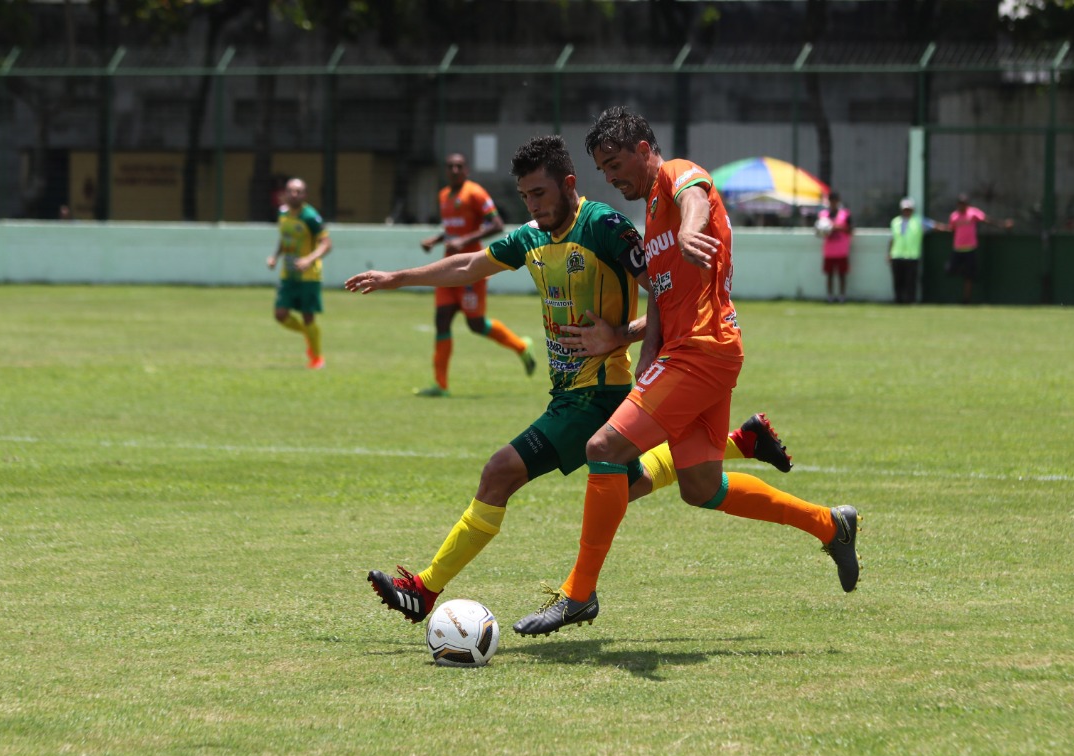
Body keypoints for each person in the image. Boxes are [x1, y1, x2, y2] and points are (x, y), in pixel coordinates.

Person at [346, 135, 793, 624]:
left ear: (569, 184)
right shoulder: (532, 237)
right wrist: (398, 278)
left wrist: (618, 337)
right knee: (635, 482)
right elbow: (472, 263)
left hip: (596, 395)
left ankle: (426, 589)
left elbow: (664, 297)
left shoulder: (605, 227)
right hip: (571, 394)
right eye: (525, 196)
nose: (534, 206)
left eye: (540, 194)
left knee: (501, 472)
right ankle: (739, 441)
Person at [511, 107, 861, 637]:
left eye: (614, 164)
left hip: (700, 351)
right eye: (602, 170)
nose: (610, 177)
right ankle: (829, 524)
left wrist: (694, 232)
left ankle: (577, 595)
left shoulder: (675, 173)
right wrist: (636, 345)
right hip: (693, 352)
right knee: (700, 487)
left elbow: (694, 198)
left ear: (643, 149)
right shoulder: (651, 215)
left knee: (603, 450)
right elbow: (662, 300)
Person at [414, 152, 536, 397]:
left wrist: (464, 241)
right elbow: (451, 230)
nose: (454, 170)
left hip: (471, 269)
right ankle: (440, 385)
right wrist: (436, 239)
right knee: (442, 320)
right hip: (447, 270)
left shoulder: (475, 193)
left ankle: (521, 346)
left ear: (466, 170)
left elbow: (497, 224)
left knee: (476, 324)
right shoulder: (444, 196)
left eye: (459, 166)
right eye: (450, 166)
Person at [266, 177, 332, 370]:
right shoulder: (283, 214)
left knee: (308, 317)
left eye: (299, 191)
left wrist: (308, 260)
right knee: (280, 315)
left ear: (305, 195)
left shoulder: (310, 217)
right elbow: (284, 238)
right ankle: (308, 335)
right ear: (285, 193)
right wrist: (275, 256)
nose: (294, 194)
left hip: (308, 276)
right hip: (288, 274)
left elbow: (327, 244)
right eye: (291, 190)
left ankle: (317, 359)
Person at [941, 193, 1012, 304]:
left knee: (969, 277)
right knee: (950, 270)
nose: (962, 206)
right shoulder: (954, 216)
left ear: (967, 204)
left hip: (970, 249)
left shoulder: (973, 213)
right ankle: (963, 270)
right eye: (960, 204)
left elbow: (987, 220)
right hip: (958, 249)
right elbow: (951, 228)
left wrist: (1002, 224)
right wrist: (939, 228)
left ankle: (966, 300)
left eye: (964, 204)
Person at [886, 198, 935, 305]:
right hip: (897, 255)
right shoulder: (895, 221)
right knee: (898, 280)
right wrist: (889, 253)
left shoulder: (918, 220)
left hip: (912, 256)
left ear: (912, 210)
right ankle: (898, 301)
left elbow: (933, 226)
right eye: (905, 209)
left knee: (910, 281)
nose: (907, 212)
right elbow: (892, 239)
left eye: (909, 209)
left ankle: (910, 301)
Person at [817, 191, 852, 302]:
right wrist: (825, 230)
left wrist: (836, 227)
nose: (833, 203)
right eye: (831, 201)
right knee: (829, 275)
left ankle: (842, 296)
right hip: (829, 250)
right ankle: (830, 296)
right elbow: (818, 231)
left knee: (842, 274)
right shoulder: (823, 215)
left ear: (838, 201)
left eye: (835, 201)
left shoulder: (845, 214)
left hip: (842, 250)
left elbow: (851, 230)